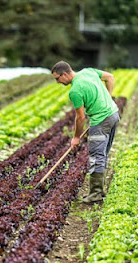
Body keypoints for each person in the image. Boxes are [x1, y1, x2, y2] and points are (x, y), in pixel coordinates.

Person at [51, 61, 119, 204]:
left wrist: (76, 137)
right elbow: (110, 77)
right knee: (103, 154)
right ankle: (99, 190)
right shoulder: (88, 71)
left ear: (64, 74)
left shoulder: (75, 91)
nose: (57, 82)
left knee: (96, 156)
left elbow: (80, 117)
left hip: (101, 121)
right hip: (113, 115)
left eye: (57, 78)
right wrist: (108, 98)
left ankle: (95, 194)